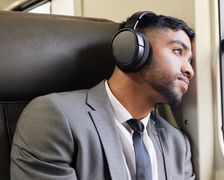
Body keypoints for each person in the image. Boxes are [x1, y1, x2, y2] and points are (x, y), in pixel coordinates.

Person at [11, 11, 195, 180]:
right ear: (133, 50)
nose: (189, 70)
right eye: (178, 51)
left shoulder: (178, 144)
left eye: (190, 61)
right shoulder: (53, 117)